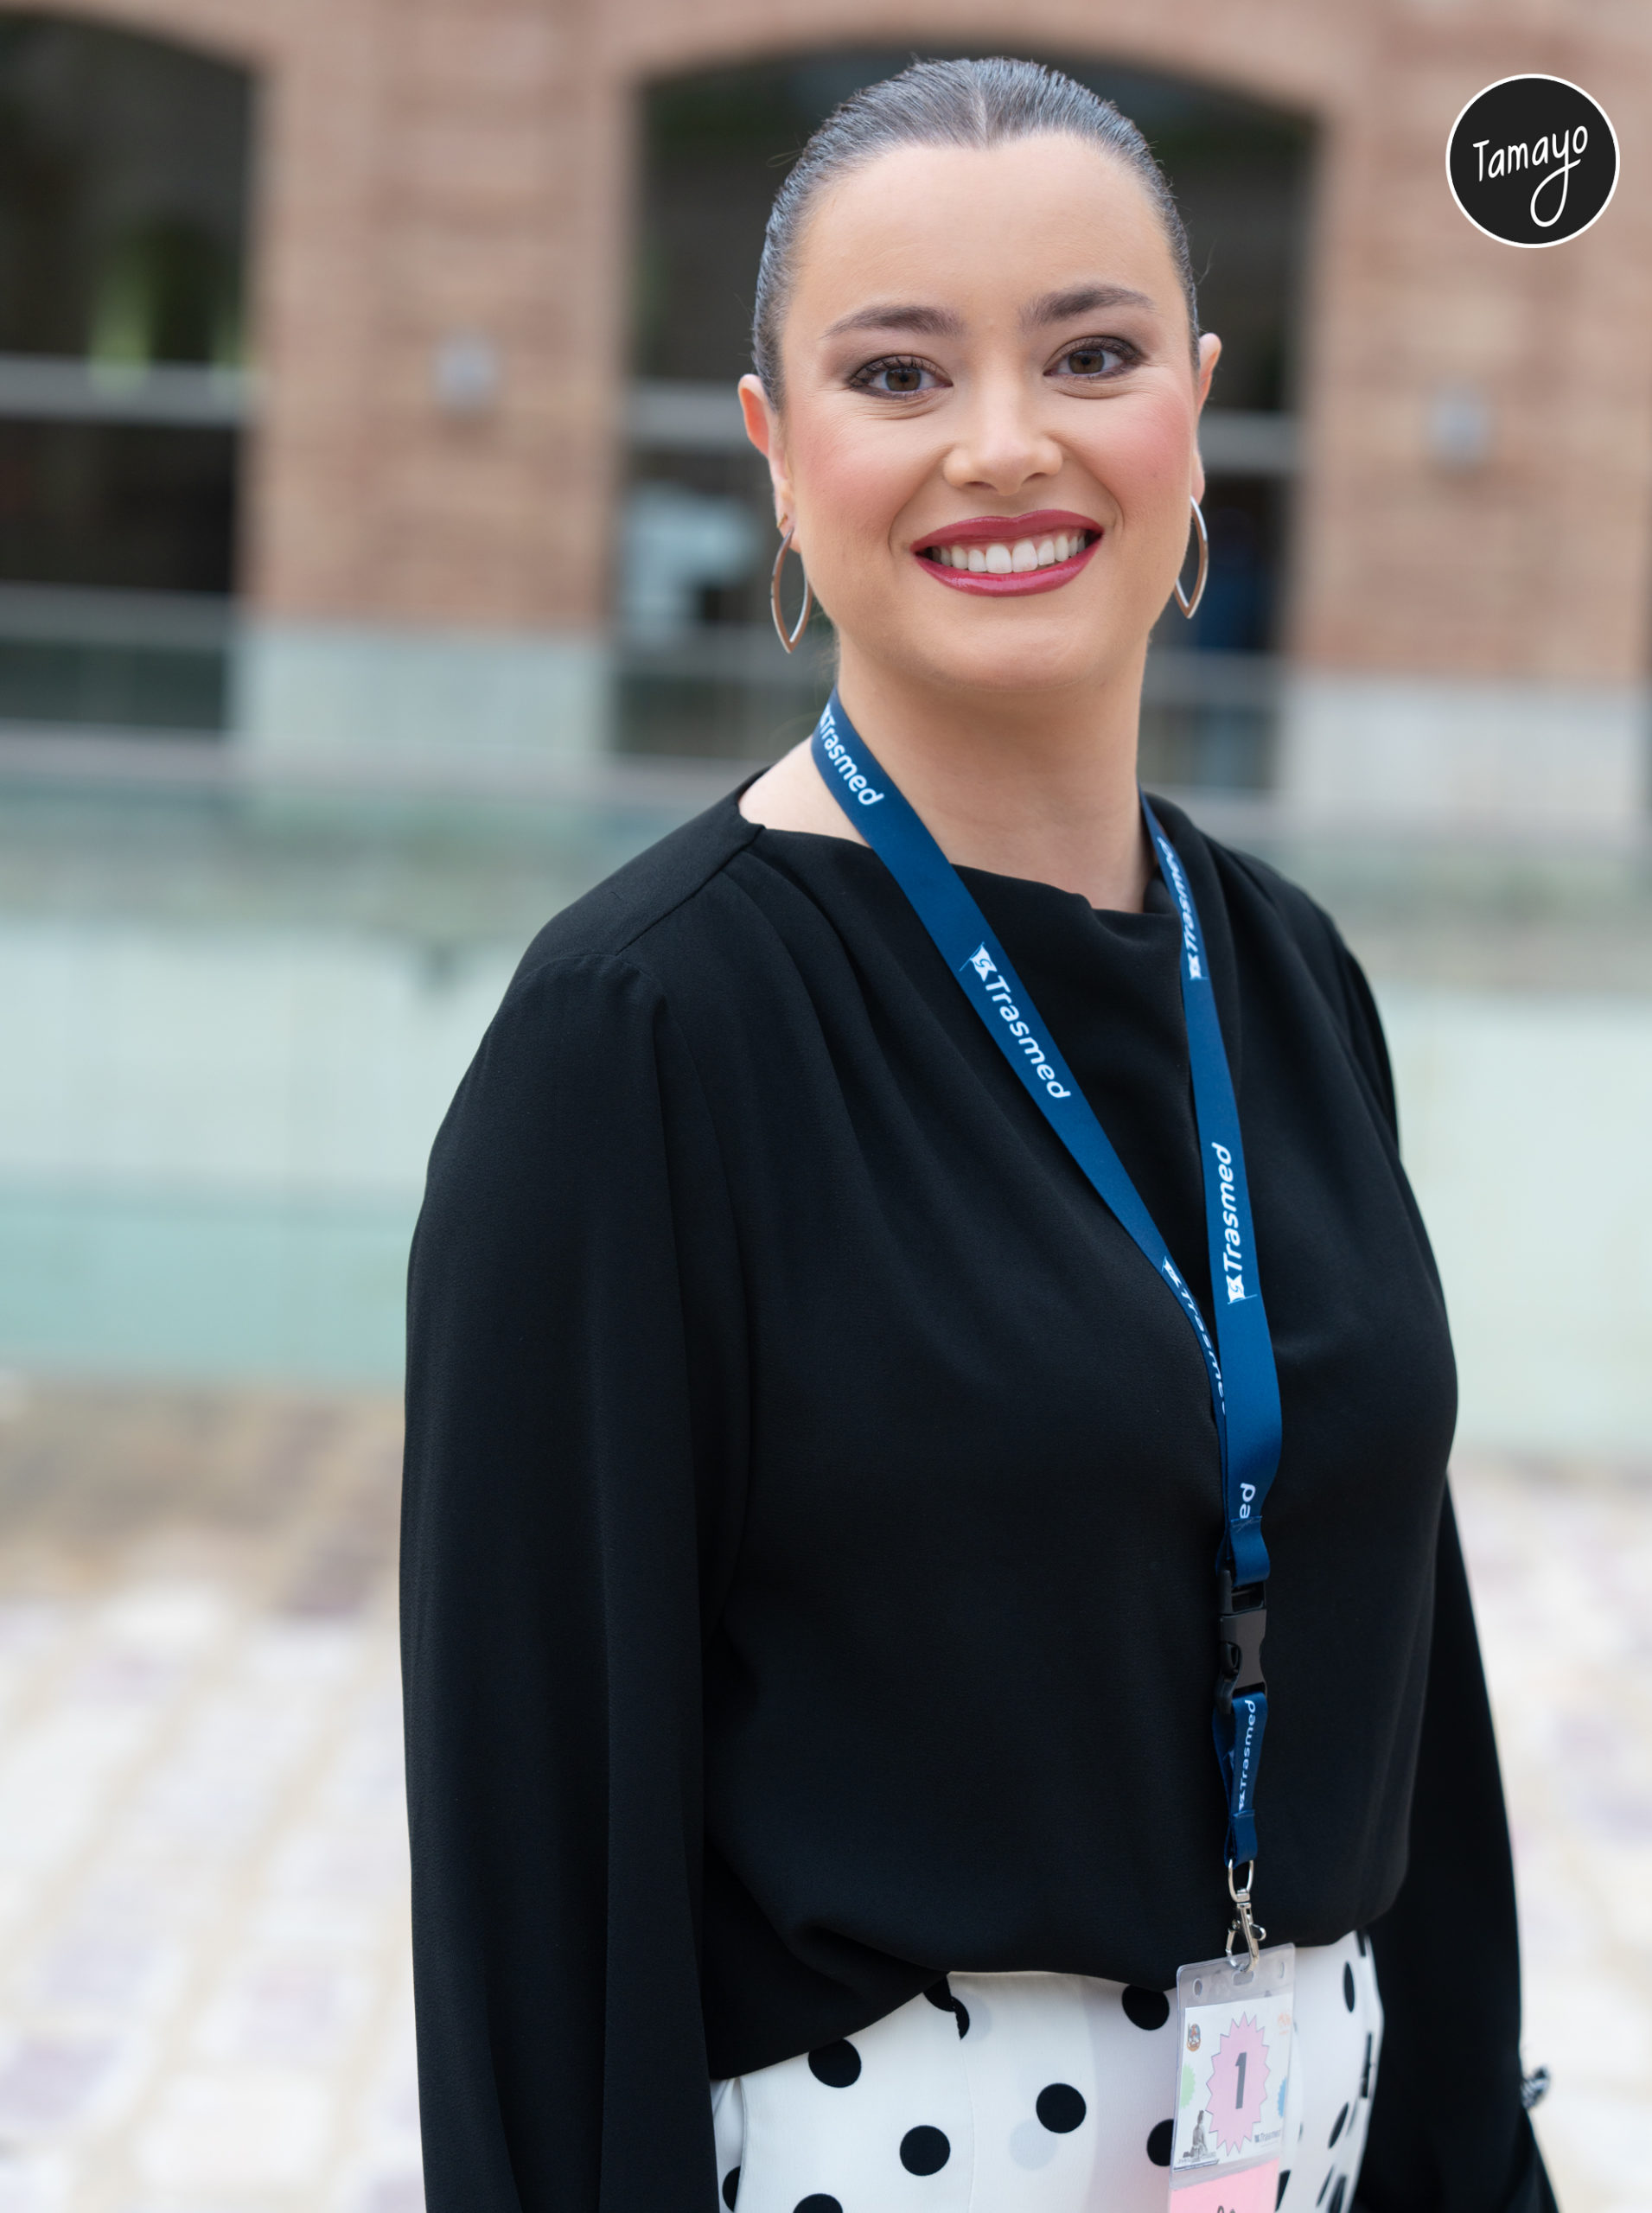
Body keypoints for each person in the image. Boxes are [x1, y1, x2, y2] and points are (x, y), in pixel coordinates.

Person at [401, 57, 1555, 2213]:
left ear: (1198, 406)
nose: (1006, 441)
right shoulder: (638, 1037)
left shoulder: (1287, 973)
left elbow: (1413, 1690)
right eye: (899, 372)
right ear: (777, 454)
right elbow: (534, 1864)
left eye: (1092, 355)